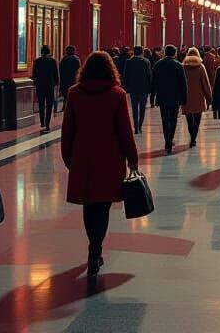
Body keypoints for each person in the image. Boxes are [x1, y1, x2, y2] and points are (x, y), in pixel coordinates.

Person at [61, 50, 138, 278]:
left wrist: (69, 158)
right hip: (110, 159)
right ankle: (96, 248)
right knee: (102, 206)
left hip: (83, 157)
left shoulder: (74, 94)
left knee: (88, 204)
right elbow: (125, 131)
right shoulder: (117, 94)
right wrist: (132, 159)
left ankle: (92, 246)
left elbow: (68, 130)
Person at [151, 44, 188, 154]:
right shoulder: (178, 65)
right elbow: (183, 84)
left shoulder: (158, 65)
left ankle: (167, 139)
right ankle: (170, 139)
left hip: (162, 96)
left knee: (165, 119)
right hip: (175, 97)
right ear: (175, 53)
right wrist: (184, 98)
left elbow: (154, 82)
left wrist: (153, 97)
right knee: (173, 119)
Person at [182, 46, 212, 147]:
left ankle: (192, 136)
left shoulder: (183, 67)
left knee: (189, 118)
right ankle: (194, 138)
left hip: (186, 96)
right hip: (199, 96)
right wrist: (209, 97)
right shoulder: (200, 67)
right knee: (197, 118)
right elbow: (205, 83)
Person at [121, 45, 152, 135]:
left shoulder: (129, 62)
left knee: (134, 108)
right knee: (142, 108)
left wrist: (126, 88)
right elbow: (149, 75)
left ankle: (135, 127)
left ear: (133, 52)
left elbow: (125, 75)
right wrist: (150, 89)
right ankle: (140, 126)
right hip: (144, 89)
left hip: (133, 88)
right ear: (142, 52)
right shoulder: (146, 61)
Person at [32, 45, 60, 132]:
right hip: (50, 86)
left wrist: (36, 83)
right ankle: (47, 124)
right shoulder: (52, 61)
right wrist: (56, 84)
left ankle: (42, 122)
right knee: (49, 105)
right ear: (49, 51)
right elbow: (56, 74)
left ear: (41, 52)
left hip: (40, 86)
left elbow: (34, 75)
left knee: (41, 104)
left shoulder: (37, 61)